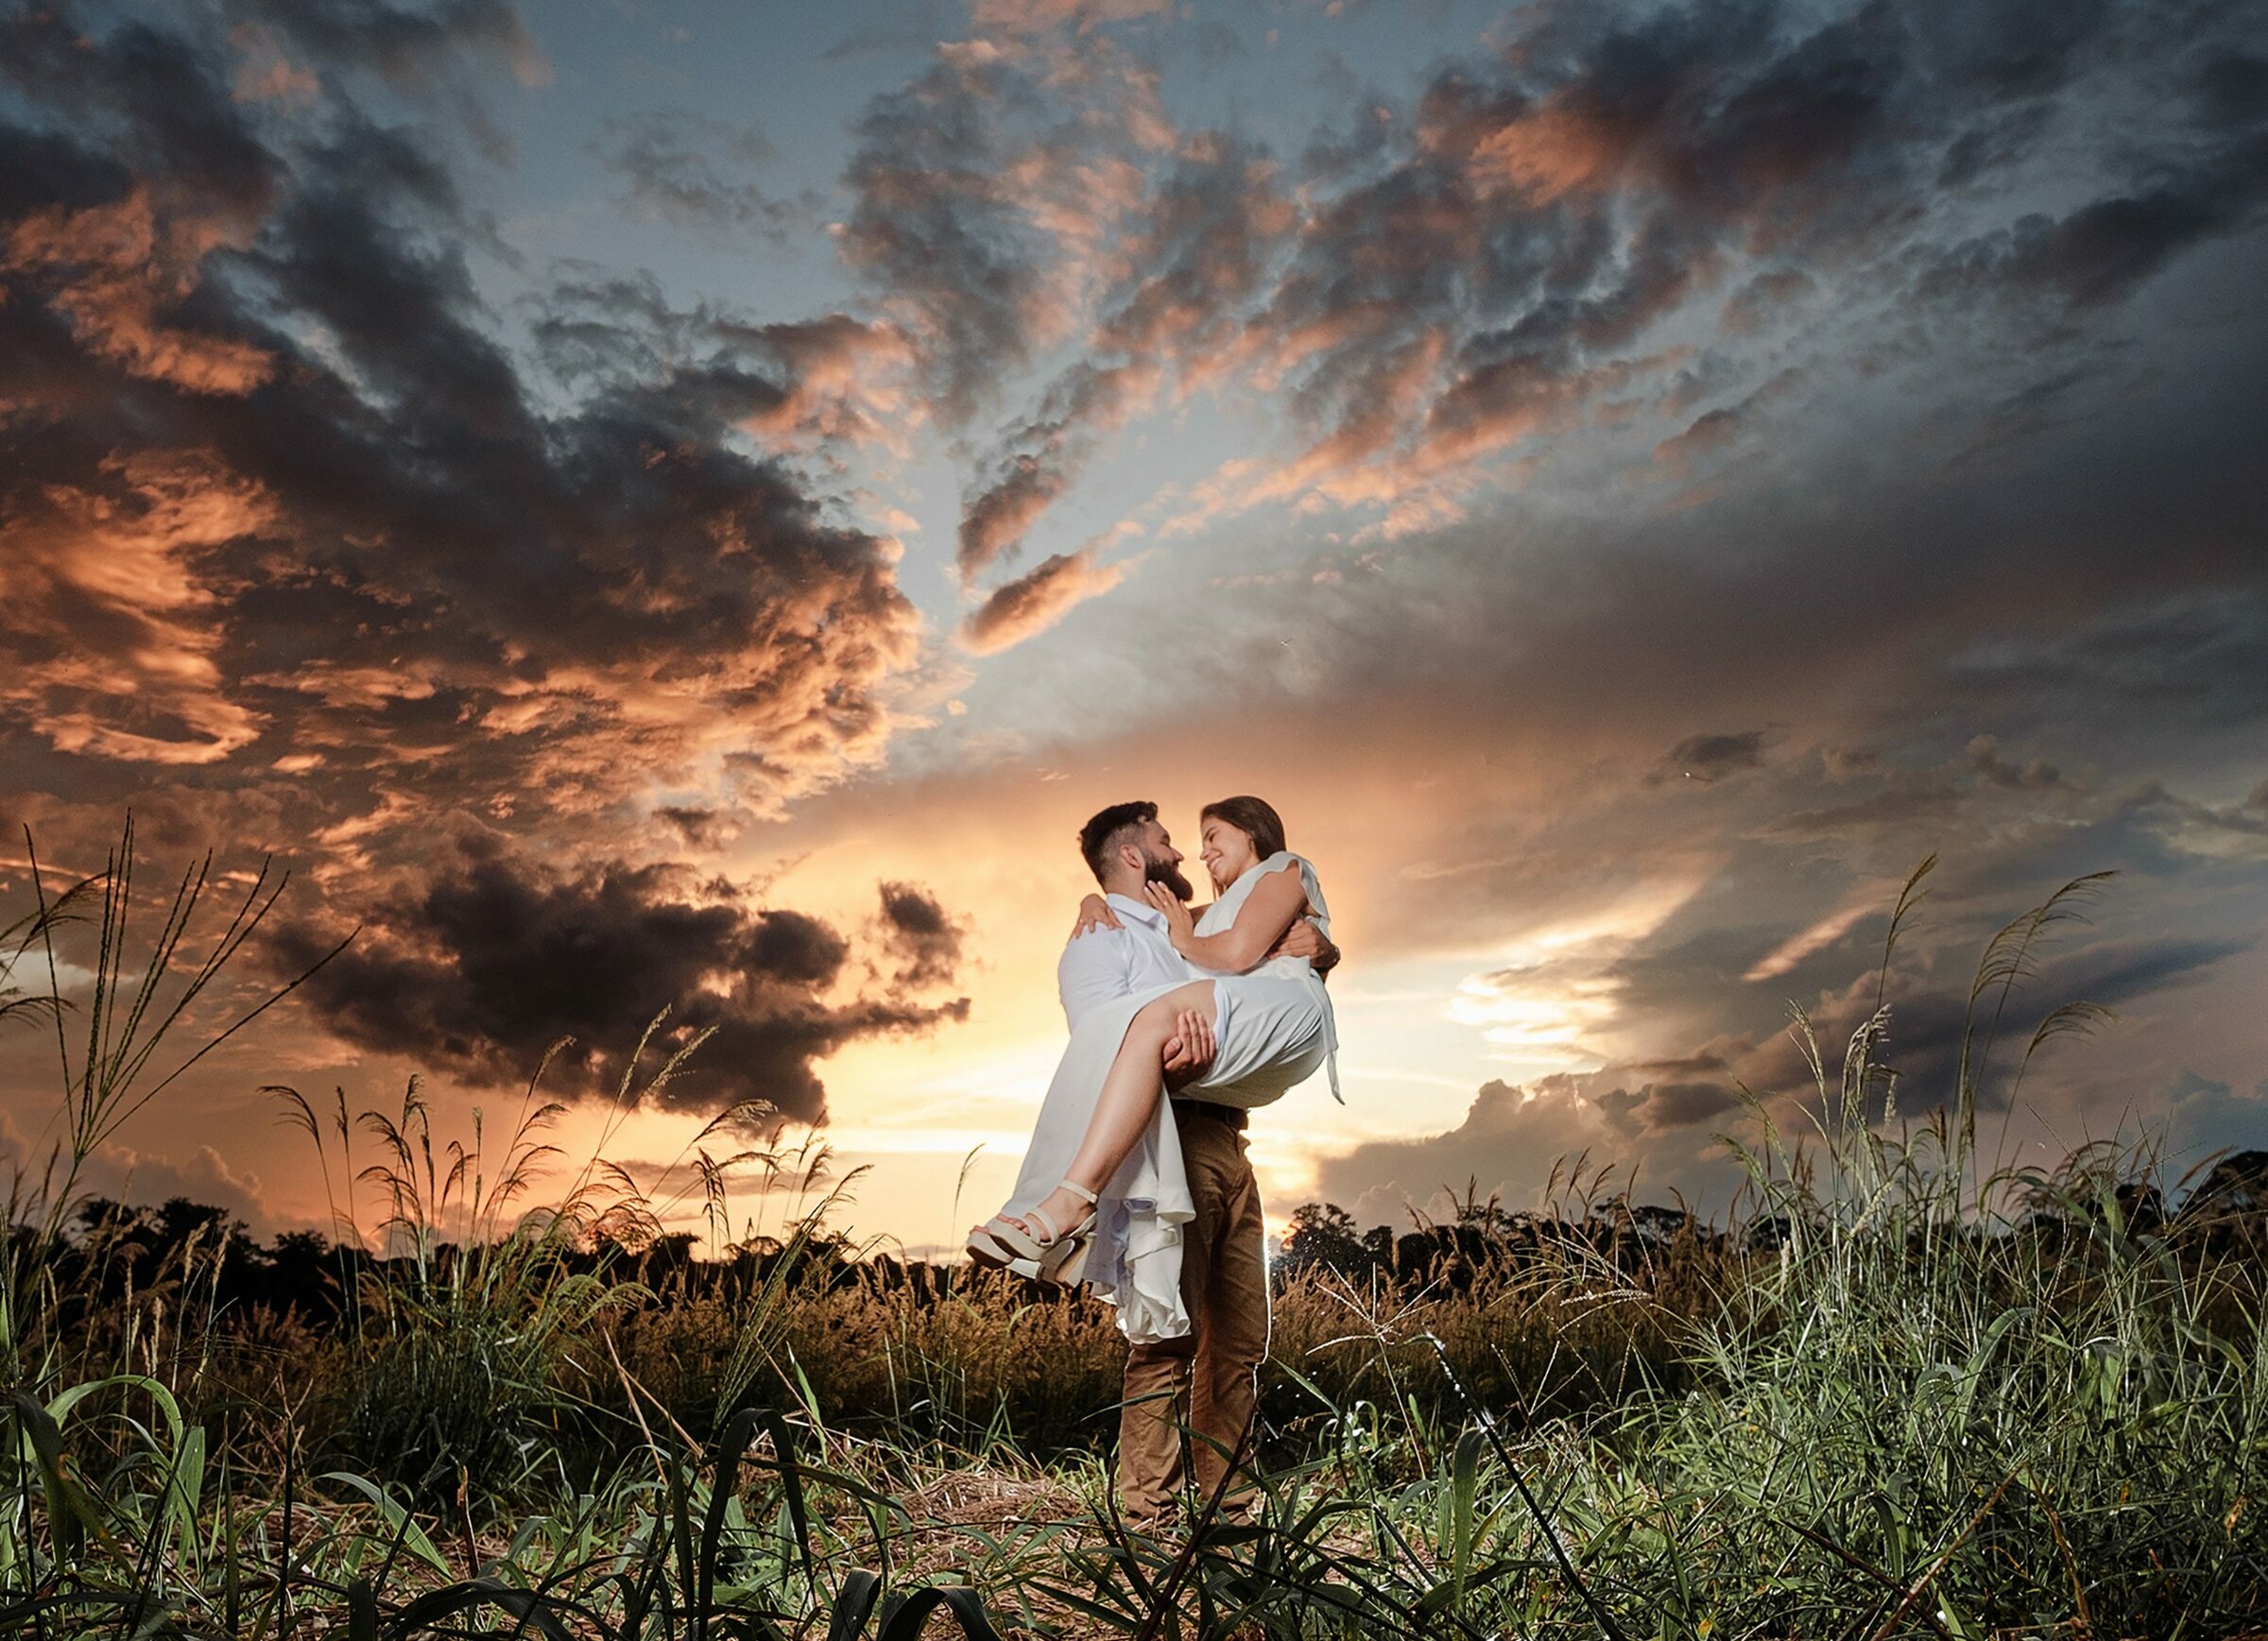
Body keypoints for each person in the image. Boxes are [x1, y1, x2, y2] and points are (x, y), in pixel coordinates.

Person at [966, 796, 1340, 1524]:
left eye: (1201, 839)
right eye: (1172, 840)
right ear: (1135, 856)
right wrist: (1174, 1020)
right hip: (1167, 1137)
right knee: (1165, 1333)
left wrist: (1322, 945)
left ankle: (1228, 1513)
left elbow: (1278, 943)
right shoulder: (1100, 937)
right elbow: (1102, 1037)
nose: (1189, 853)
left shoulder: (1190, 925)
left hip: (1230, 1137)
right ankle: (1151, 1517)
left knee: (1239, 1339)